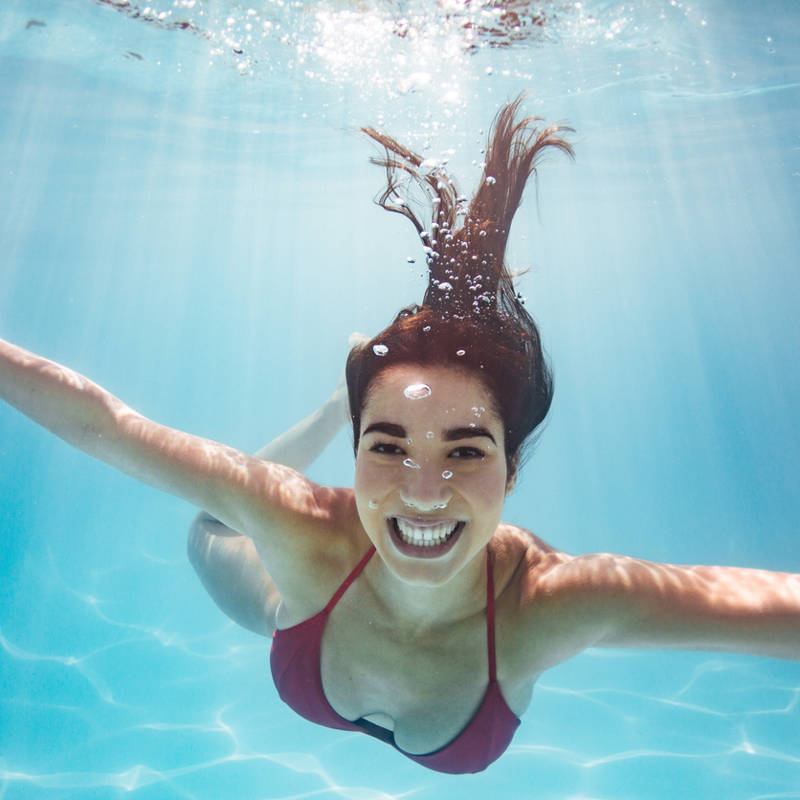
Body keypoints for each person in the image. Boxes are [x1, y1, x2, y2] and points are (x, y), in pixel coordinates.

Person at [1, 97, 798, 775]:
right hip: (292, 605)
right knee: (207, 526)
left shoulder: (546, 605)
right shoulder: (304, 529)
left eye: (464, 450)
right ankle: (339, 406)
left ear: (512, 468)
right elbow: (103, 425)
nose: (423, 490)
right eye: (387, 445)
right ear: (355, 459)